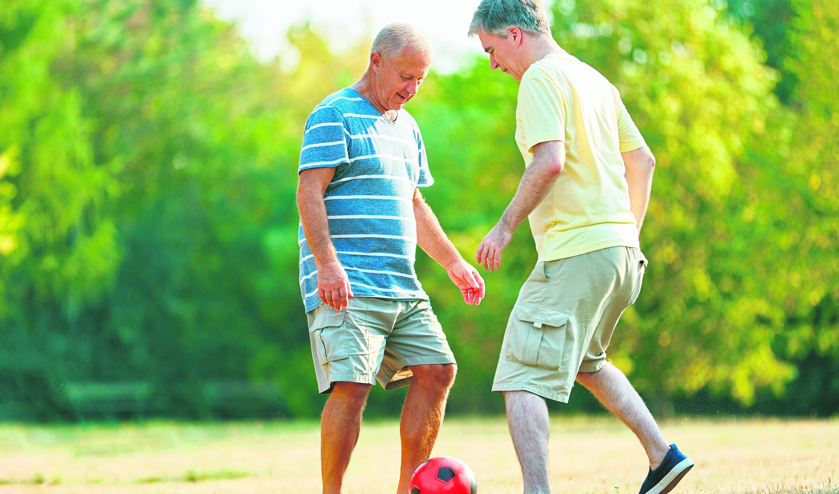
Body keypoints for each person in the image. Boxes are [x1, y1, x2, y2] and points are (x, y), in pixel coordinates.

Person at [468, 1, 693, 493]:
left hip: (576, 253)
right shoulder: (595, 80)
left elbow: (548, 161)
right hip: (621, 255)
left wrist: (503, 228)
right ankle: (663, 456)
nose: (493, 63)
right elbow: (644, 162)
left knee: (520, 373)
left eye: (491, 50)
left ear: (513, 34)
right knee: (588, 363)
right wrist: (625, 235)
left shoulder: (540, 79)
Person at [296, 23, 486, 494]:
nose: (413, 89)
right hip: (348, 283)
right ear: (376, 61)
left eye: (421, 79)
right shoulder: (333, 114)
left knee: (438, 369)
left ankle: (410, 490)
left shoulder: (409, 127)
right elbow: (308, 191)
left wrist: (453, 262)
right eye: (406, 76)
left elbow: (414, 204)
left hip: (401, 285)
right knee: (352, 385)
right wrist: (328, 264)